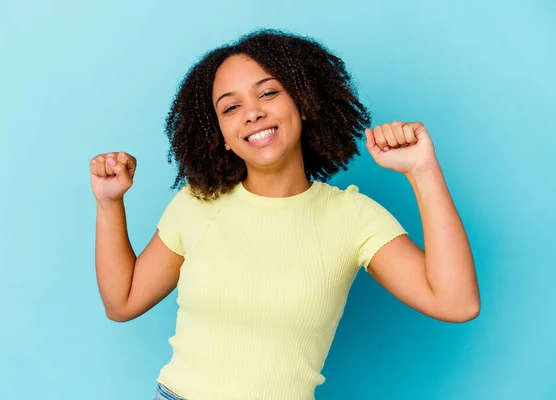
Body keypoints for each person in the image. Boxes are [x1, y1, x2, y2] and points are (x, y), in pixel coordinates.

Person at [89, 29, 480, 400]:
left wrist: (423, 171)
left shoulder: (353, 217)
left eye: (269, 93)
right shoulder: (197, 203)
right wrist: (109, 202)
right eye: (231, 107)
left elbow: (457, 303)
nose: (252, 113)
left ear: (303, 104)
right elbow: (122, 302)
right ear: (221, 136)